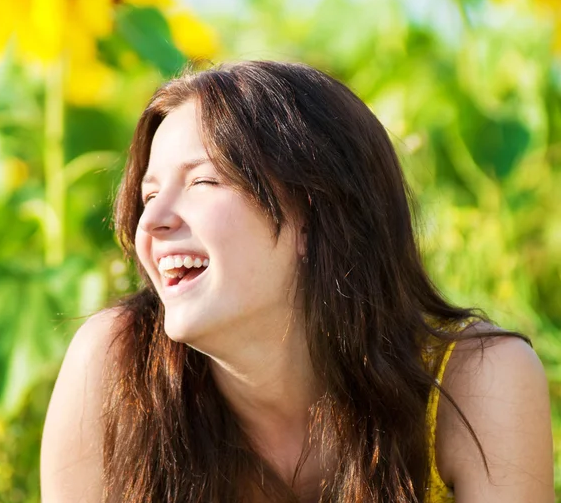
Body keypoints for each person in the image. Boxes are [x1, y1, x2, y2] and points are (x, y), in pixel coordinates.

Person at [40, 61, 554, 503]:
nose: (151, 223)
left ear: (316, 216)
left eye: (202, 182)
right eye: (149, 196)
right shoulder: (117, 368)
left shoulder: (476, 382)